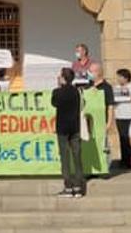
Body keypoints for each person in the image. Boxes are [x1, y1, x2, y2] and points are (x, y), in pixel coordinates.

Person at [51, 67, 85, 198]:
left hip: (63, 128)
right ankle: (78, 187)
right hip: (75, 127)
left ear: (63, 78)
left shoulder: (57, 92)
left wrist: (59, 87)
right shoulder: (77, 91)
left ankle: (68, 187)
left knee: (65, 158)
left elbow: (54, 103)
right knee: (77, 157)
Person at [113, 69, 131, 169]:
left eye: (120, 77)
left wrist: (129, 94)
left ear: (126, 77)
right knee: (123, 138)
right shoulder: (116, 87)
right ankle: (124, 160)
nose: (118, 79)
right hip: (120, 116)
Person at [88, 63, 114, 166]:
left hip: (102, 121)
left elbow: (110, 106)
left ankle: (104, 167)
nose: (89, 73)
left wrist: (109, 123)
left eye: (91, 71)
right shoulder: (88, 85)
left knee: (103, 145)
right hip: (90, 121)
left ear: (98, 72)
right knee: (91, 145)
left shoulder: (107, 87)